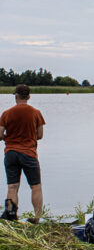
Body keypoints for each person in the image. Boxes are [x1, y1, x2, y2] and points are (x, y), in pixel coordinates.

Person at [0, 84, 46, 222]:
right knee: (35, 186)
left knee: (12, 187)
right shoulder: (36, 113)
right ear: (29, 96)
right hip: (29, 153)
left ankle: (11, 216)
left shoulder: (6, 113)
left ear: (16, 95)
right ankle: (37, 218)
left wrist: (7, 137)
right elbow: (40, 135)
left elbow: (0, 134)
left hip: (11, 153)